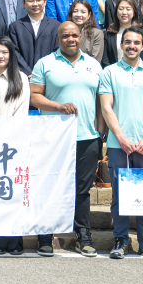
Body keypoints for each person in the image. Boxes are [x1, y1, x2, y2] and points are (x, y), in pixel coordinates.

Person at [30, 21, 106, 257]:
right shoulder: (45, 64)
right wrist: (58, 106)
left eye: (74, 35)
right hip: (54, 137)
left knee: (82, 190)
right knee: (50, 185)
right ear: (58, 39)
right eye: (65, 36)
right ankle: (45, 236)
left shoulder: (94, 65)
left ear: (80, 38)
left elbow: (101, 101)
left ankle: (83, 236)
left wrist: (100, 131)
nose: (70, 39)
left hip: (87, 136)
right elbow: (34, 96)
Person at [99, 26, 143, 260]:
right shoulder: (109, 72)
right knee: (119, 194)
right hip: (118, 144)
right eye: (127, 42)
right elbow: (106, 107)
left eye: (136, 43)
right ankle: (120, 240)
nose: (131, 46)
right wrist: (120, 137)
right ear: (121, 45)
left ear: (142, 46)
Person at [0, 36, 30, 255]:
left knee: (13, 192)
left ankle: (15, 241)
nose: (0, 56)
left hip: (12, 144)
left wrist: (7, 135)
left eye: (4, 52)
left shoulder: (20, 78)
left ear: (11, 55)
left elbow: (21, 112)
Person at [8, 0, 59, 75]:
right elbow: (14, 52)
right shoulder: (15, 27)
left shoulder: (56, 26)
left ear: (45, 2)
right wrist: (28, 73)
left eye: (38, 0)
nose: (35, 4)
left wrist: (44, 73)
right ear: (23, 3)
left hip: (49, 75)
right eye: (30, 0)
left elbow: (57, 51)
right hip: (23, 76)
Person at [102, 0, 143, 67]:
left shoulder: (142, 33)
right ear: (116, 12)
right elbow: (105, 60)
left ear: (134, 12)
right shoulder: (107, 34)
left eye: (128, 9)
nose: (124, 12)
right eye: (121, 9)